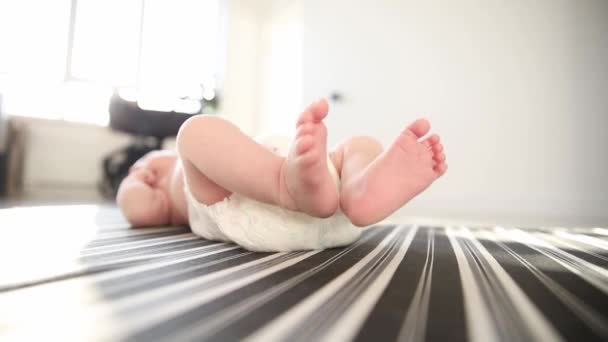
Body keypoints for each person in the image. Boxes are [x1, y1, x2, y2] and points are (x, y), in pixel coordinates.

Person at [117, 98, 447, 239]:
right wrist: (134, 183)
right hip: (235, 205)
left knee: (356, 145)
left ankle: (358, 190)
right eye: (141, 168)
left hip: (328, 205)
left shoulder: (188, 167)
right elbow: (139, 210)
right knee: (193, 131)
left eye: (144, 165)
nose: (146, 168)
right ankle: (288, 181)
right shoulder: (168, 187)